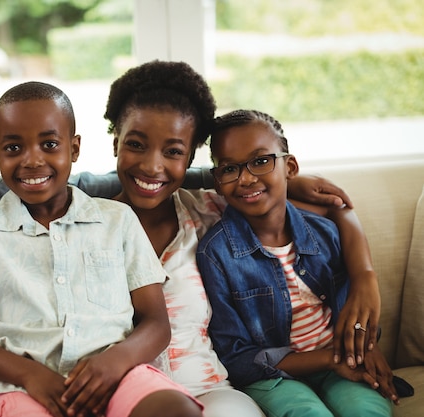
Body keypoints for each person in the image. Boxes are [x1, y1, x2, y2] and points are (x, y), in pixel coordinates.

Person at [0, 75, 351, 417]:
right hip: (13, 392)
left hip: (113, 386)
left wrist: (266, 178)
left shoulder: (80, 203)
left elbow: (155, 174)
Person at [104, 60, 383, 417]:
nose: (152, 166)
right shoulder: (86, 221)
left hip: (210, 388)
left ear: (189, 159)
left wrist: (363, 275)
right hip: (132, 394)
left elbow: (330, 207)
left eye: (173, 152)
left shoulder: (205, 210)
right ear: (116, 143)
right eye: (136, 145)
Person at [0, 81, 204, 417]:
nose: (32, 160)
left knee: (175, 410)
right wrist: (29, 374)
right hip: (22, 388)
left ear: (74, 149)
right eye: (14, 148)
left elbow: (156, 323)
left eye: (49, 144)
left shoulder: (117, 219)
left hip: (120, 375)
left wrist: (114, 362)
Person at [196, 109, 398, 417]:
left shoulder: (325, 231)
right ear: (217, 180)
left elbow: (354, 311)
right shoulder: (216, 253)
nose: (246, 178)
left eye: (261, 161)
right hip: (273, 377)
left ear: (289, 167)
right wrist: (331, 359)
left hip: (340, 362)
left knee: (366, 410)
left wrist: (362, 349)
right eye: (229, 169)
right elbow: (236, 355)